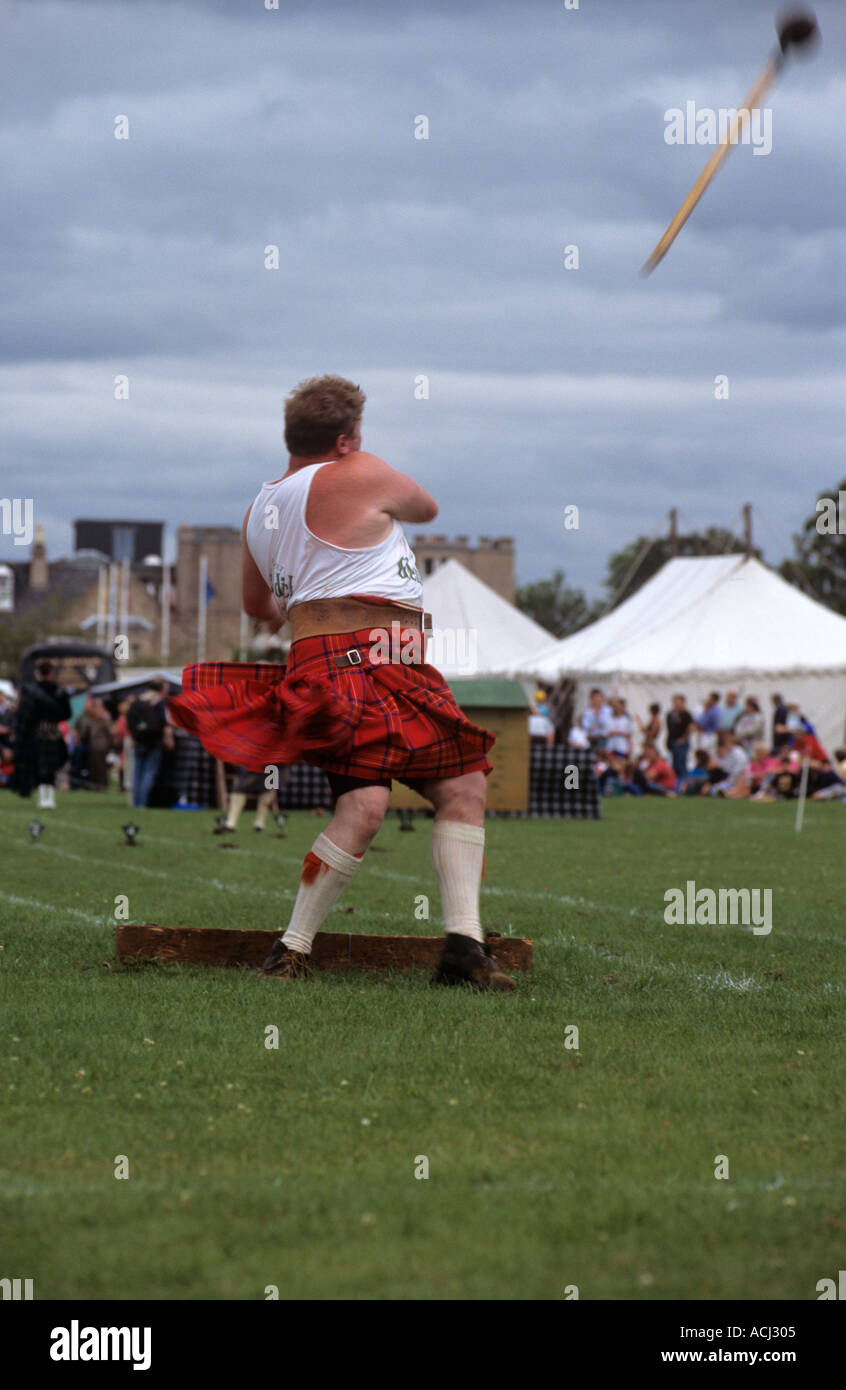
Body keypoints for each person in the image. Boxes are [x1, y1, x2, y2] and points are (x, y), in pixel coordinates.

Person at [168, 374, 514, 991]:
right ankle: (447, 947)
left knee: (369, 802)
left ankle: (319, 951)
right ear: (348, 438)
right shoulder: (359, 471)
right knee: (457, 786)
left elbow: (256, 606)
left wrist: (315, 597)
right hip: (376, 654)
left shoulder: (258, 509)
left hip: (327, 660)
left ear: (289, 434)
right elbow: (428, 507)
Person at [128, 679, 174, 807]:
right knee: (149, 772)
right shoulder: (158, 702)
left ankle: (135, 802)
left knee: (137, 772)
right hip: (154, 742)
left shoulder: (138, 701)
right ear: (161, 689)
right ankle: (142, 803)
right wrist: (169, 739)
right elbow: (163, 723)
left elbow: (130, 720)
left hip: (139, 740)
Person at [74, 696, 113, 791]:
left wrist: (111, 747)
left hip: (102, 747)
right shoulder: (91, 720)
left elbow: (110, 734)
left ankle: (103, 785)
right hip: (92, 746)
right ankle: (95, 785)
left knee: (101, 768)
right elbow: (83, 733)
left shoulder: (104, 721)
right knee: (93, 767)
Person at [665, 694, 694, 786]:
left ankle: (684, 785)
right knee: (675, 765)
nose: (676, 704)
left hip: (681, 743)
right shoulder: (670, 714)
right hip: (672, 742)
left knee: (681, 764)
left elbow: (691, 727)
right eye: (675, 702)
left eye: (678, 702)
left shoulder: (686, 714)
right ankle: (676, 784)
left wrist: (684, 738)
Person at [695, 691, 721, 756]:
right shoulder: (717, 709)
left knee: (704, 754)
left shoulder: (712, 711)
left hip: (708, 735)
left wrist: (705, 709)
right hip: (710, 735)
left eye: (710, 699)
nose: (708, 700)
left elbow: (701, 723)